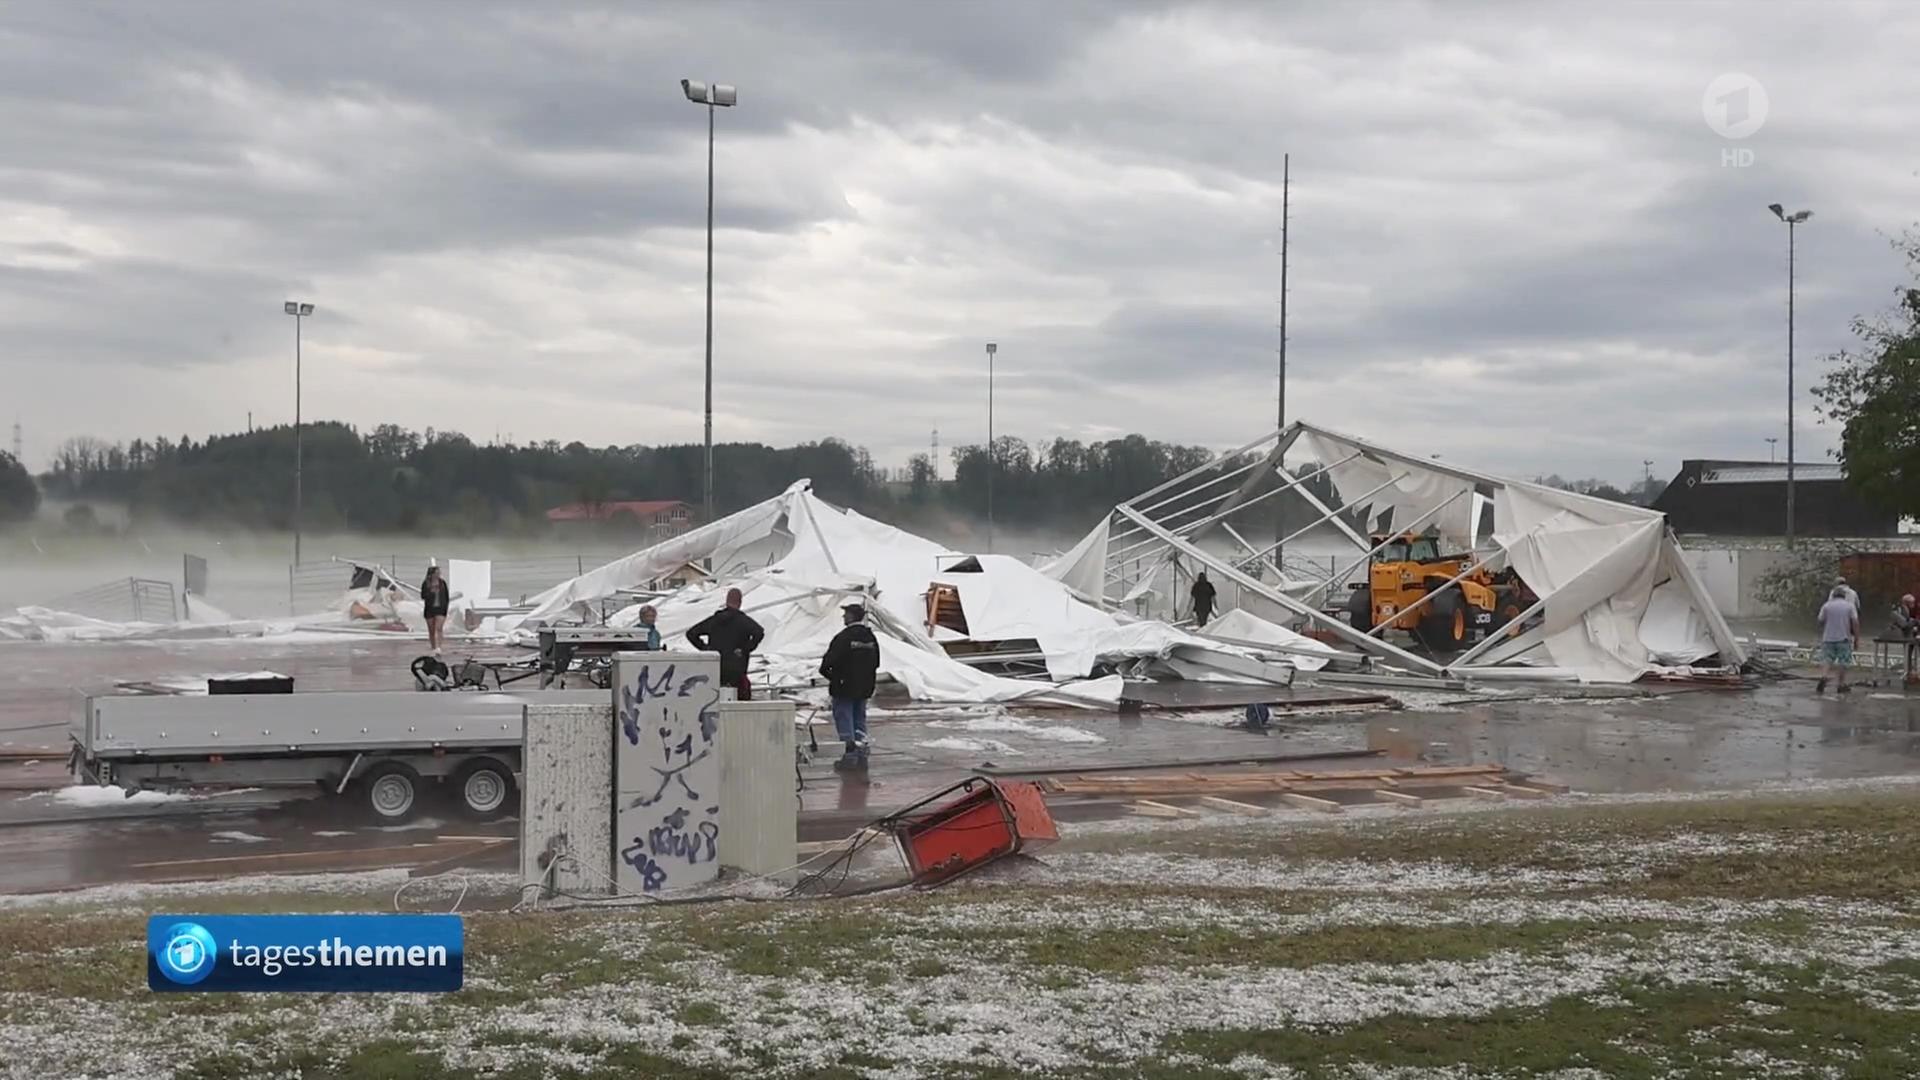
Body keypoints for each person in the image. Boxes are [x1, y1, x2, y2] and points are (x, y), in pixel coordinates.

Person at [819, 602, 882, 771]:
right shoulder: (870, 638)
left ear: (852, 616)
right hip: (864, 686)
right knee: (859, 717)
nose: (843, 617)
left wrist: (835, 678)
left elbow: (827, 664)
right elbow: (876, 662)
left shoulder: (843, 638)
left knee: (844, 717)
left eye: (845, 614)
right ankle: (861, 747)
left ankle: (850, 751)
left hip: (844, 687)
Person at [687, 587, 765, 700]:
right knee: (740, 708)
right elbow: (759, 632)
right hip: (737, 669)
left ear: (726, 600)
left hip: (715, 669)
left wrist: (706, 649)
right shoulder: (744, 621)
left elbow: (691, 633)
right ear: (740, 602)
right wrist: (745, 649)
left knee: (714, 704)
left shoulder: (715, 620)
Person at [1816, 584, 1861, 695]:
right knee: (1843, 662)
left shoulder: (1826, 605)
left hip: (1828, 638)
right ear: (1844, 596)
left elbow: (1820, 621)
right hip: (1843, 638)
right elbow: (1855, 623)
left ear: (1833, 595)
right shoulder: (1849, 606)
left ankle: (1823, 677)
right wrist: (1856, 638)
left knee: (1826, 660)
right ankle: (1841, 685)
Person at [420, 563, 451, 653]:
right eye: (437, 572)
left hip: (440, 608)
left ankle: (439, 647)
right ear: (432, 574)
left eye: (439, 572)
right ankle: (433, 646)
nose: (438, 574)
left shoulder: (442, 583)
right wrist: (431, 592)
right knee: (431, 629)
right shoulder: (426, 583)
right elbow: (423, 596)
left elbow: (446, 596)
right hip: (430, 609)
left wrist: (446, 608)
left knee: (439, 627)